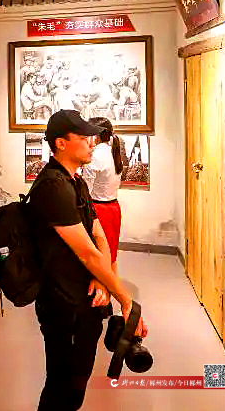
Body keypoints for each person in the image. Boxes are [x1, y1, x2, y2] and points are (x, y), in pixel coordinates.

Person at [30, 110, 147, 410]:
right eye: (83, 137)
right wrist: (127, 302)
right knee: (62, 384)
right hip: (63, 304)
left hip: (85, 301)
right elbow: (86, 252)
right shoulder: (53, 187)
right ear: (61, 143)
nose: (91, 142)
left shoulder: (76, 182)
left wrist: (100, 278)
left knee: (78, 382)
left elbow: (98, 237)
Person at [81, 117, 123, 274]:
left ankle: (103, 286)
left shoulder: (94, 156)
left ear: (95, 135)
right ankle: (111, 283)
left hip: (99, 210)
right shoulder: (113, 152)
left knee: (97, 255)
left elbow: (85, 191)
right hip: (114, 208)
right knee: (111, 253)